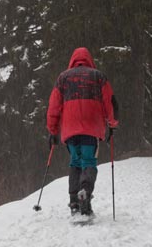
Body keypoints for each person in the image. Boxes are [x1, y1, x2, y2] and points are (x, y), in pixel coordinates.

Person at [47, 47, 119, 216]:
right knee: (88, 161)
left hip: (70, 130)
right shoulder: (98, 76)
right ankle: (85, 192)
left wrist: (52, 131)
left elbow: (53, 107)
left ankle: (74, 200)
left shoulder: (63, 78)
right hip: (91, 127)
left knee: (75, 161)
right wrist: (112, 124)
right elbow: (110, 102)